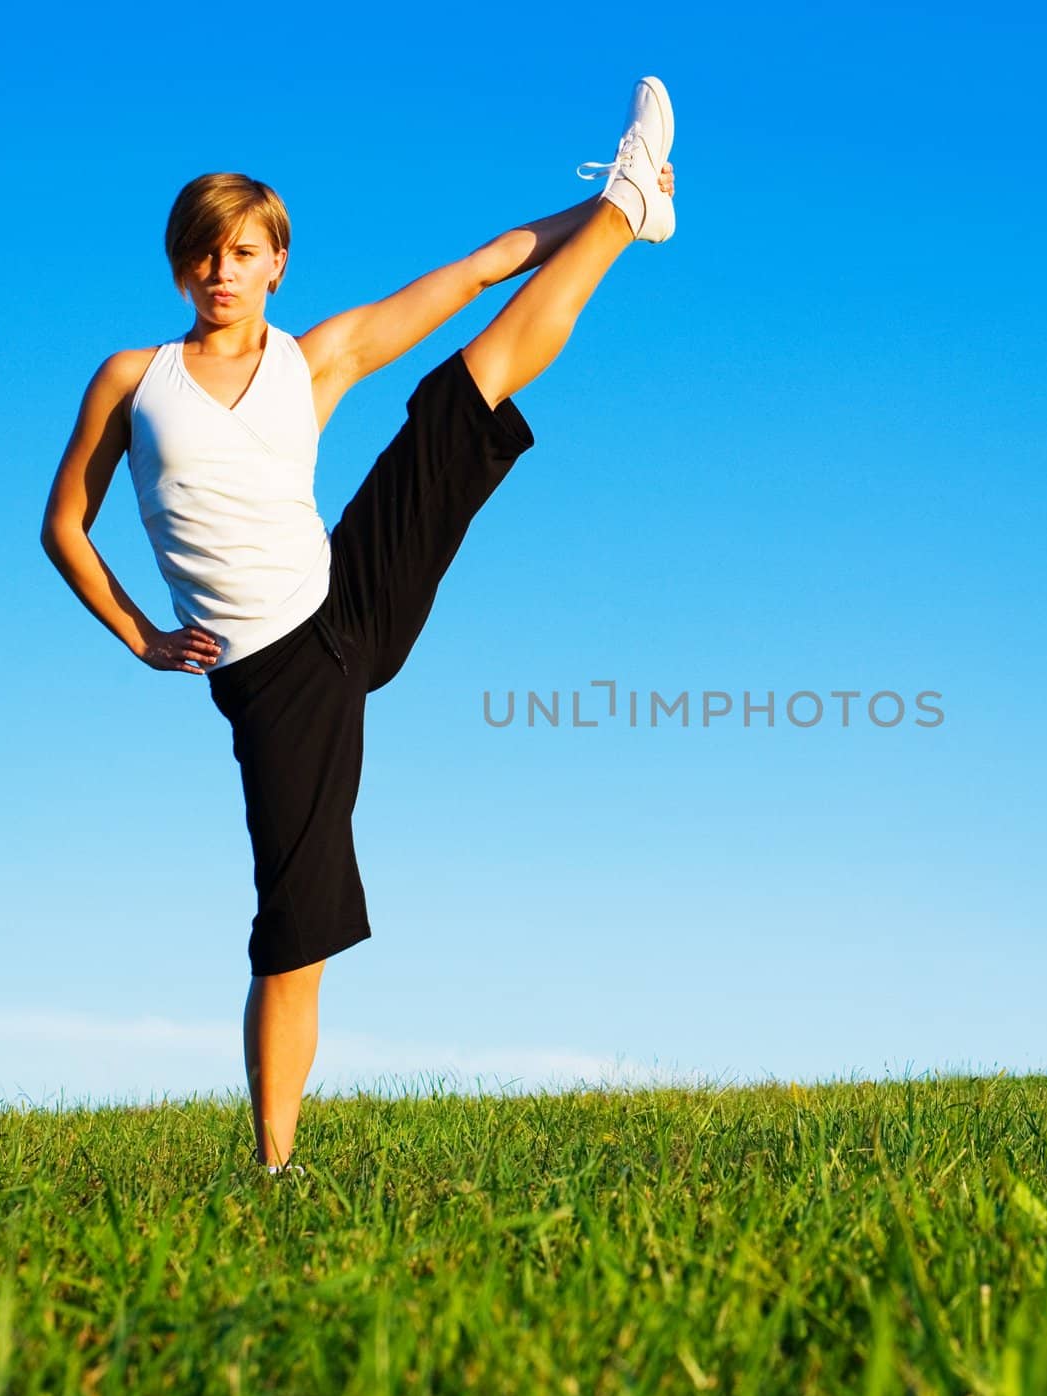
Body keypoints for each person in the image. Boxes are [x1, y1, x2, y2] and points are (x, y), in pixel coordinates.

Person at [39, 77, 677, 1173]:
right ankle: (274, 1166)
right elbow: (64, 526)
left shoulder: (314, 355)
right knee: (297, 923)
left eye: (244, 252)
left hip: (349, 593)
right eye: (204, 251)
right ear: (179, 261)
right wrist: (141, 633)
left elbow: (481, 267)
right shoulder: (133, 381)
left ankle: (627, 205)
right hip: (276, 674)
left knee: (462, 388)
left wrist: (608, 204)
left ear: (276, 261)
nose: (221, 271)